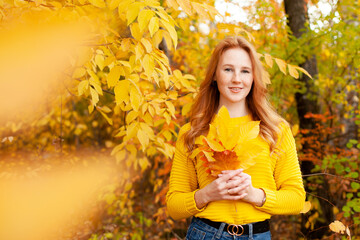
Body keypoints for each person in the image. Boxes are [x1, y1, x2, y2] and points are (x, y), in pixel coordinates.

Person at [166, 36, 306, 240]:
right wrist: (207, 194)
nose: (237, 79)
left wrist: (254, 195)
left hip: (258, 235)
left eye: (245, 71)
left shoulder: (275, 131)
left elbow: (296, 199)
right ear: (214, 74)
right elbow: (174, 206)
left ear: (253, 77)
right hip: (205, 233)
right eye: (228, 69)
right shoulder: (193, 132)